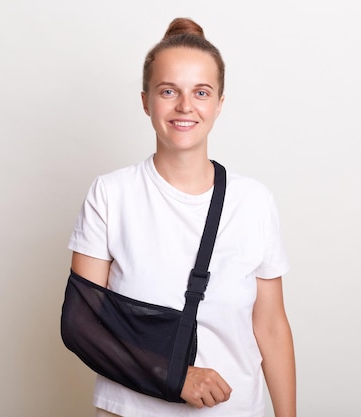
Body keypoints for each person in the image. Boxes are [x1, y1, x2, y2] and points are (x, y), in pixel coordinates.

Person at [68, 17, 296, 417]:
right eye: (168, 91)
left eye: (201, 92)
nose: (185, 106)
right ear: (145, 101)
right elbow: (83, 325)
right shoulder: (111, 194)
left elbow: (272, 326)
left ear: (220, 103)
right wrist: (177, 377)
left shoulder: (254, 201)